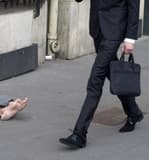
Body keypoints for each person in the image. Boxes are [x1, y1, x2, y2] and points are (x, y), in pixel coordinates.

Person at [59, 0, 143, 148]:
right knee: (110, 72)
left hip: (115, 29)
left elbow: (134, 6)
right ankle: (134, 112)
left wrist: (130, 38)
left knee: (95, 79)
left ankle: (80, 134)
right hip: (98, 28)